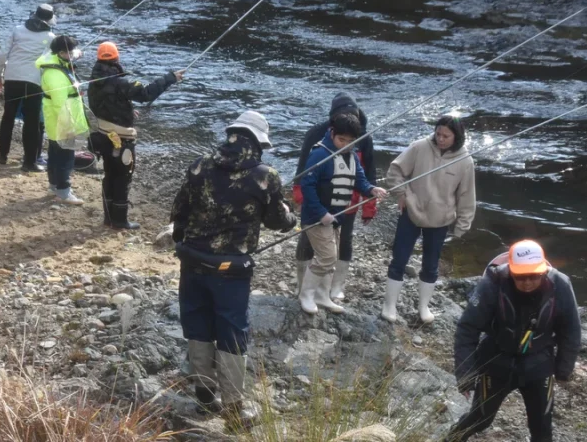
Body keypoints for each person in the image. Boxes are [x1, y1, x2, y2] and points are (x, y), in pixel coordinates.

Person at [171, 111, 297, 431]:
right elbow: (276, 222)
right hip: (231, 270)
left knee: (197, 322)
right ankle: (233, 409)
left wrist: (181, 244)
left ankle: (203, 395)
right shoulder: (265, 175)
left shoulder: (199, 164)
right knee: (231, 332)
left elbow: (179, 212)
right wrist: (290, 216)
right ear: (257, 142)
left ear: (232, 134)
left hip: (192, 262)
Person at [445, 240, 581, 442]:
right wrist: (466, 375)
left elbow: (571, 330)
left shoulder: (560, 285)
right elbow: (467, 329)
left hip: (539, 364)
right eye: (520, 276)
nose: (527, 282)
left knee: (542, 428)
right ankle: (451, 439)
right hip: (496, 360)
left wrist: (563, 369)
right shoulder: (492, 283)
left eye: (533, 276)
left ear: (543, 271)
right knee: (481, 418)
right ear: (510, 271)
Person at [382, 115, 476, 323]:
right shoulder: (419, 147)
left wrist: (462, 225)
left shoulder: (466, 161)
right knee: (399, 258)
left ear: (457, 137)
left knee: (431, 265)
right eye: (438, 134)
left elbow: (466, 196)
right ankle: (389, 305)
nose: (440, 139)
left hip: (440, 220)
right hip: (411, 213)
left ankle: (423, 307)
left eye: (446, 136)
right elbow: (394, 171)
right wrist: (402, 194)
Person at [298, 113, 387, 315]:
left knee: (333, 256)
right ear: (332, 133)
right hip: (316, 218)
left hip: (337, 217)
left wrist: (372, 190)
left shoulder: (352, 156)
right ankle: (306, 294)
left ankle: (322, 295)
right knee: (327, 257)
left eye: (351, 141)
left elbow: (360, 181)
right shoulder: (320, 154)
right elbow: (307, 187)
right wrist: (321, 213)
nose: (346, 144)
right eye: (341, 140)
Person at [88, 41, 182, 229]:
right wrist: (170, 78)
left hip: (102, 135)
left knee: (109, 175)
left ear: (99, 58)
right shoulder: (120, 83)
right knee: (123, 177)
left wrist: (127, 111)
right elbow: (146, 94)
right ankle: (120, 220)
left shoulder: (93, 81)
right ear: (117, 58)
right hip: (122, 140)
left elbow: (105, 104)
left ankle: (108, 218)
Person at [0, 4, 57, 172]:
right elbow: (52, 62)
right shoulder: (50, 37)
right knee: (32, 121)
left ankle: (2, 156)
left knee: (8, 116)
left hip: (12, 78)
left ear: (34, 15)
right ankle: (29, 162)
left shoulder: (17, 30)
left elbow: (2, 55)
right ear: (50, 19)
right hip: (34, 81)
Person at [35, 35, 88, 205]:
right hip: (61, 121)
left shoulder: (55, 60)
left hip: (55, 121)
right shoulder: (55, 75)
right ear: (60, 53)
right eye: (69, 52)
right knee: (65, 157)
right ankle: (64, 192)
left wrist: (77, 53)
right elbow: (60, 105)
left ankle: (54, 186)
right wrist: (69, 126)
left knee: (55, 153)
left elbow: (73, 55)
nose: (72, 55)